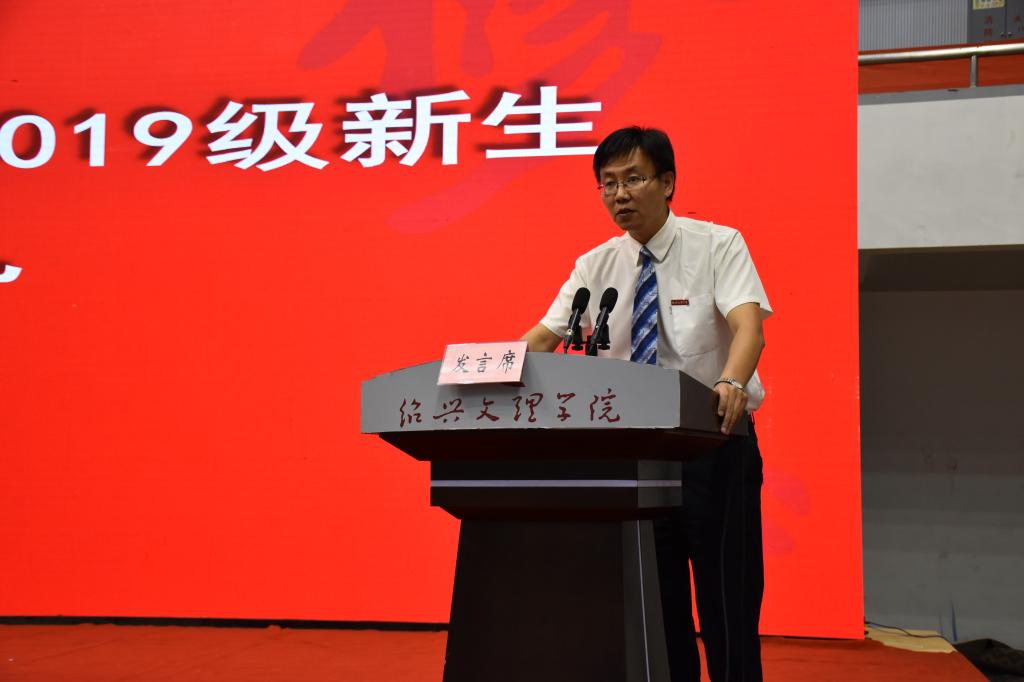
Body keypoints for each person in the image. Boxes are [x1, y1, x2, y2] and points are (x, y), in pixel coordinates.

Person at [521, 126, 771, 682]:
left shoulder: (718, 245)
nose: (619, 195)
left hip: (713, 445)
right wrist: (491, 371)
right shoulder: (594, 267)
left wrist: (731, 381)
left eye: (633, 179)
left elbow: (748, 328)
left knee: (727, 602)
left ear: (668, 182)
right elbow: (544, 337)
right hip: (634, 458)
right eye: (608, 184)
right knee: (657, 609)